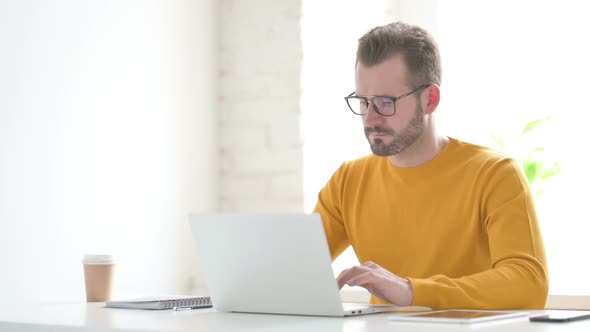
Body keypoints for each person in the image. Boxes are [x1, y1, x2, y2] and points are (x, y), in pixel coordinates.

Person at [313, 22, 548, 310]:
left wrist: (412, 292)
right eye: (363, 101)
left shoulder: (495, 175)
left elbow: (529, 284)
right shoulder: (348, 180)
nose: (370, 119)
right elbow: (294, 270)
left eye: (386, 103)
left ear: (430, 99)